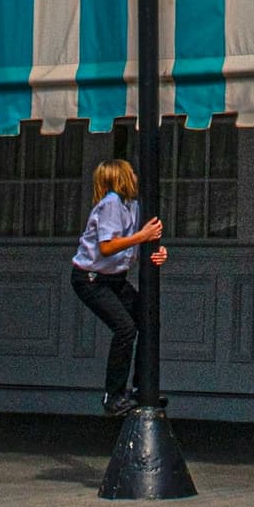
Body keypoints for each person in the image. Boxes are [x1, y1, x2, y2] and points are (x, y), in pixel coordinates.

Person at [68, 156, 165, 416]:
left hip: (115, 278)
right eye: (131, 172)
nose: (135, 177)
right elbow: (107, 246)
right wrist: (142, 237)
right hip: (92, 278)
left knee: (147, 319)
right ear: (120, 177)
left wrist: (156, 249)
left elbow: (140, 241)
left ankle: (141, 386)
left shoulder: (133, 205)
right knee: (125, 328)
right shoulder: (111, 203)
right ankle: (113, 395)